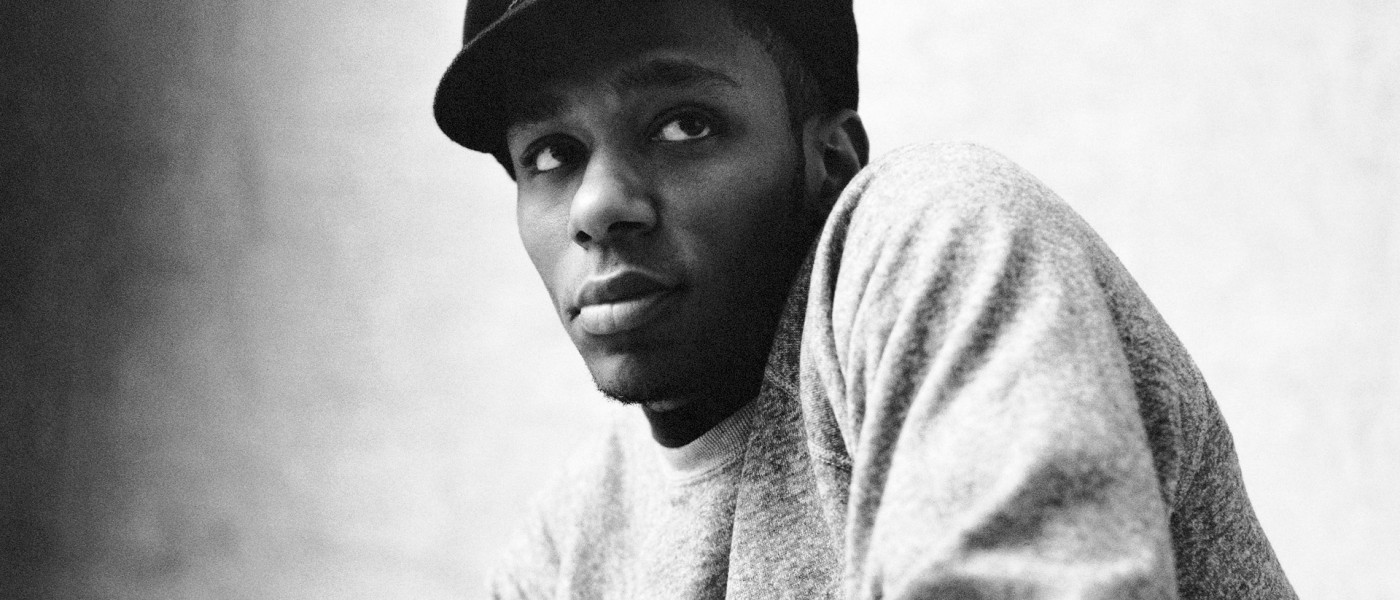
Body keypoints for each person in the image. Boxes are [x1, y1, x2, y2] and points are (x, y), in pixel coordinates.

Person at [433, 0, 1297, 597]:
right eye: (551, 153)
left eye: (684, 124)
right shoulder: (569, 544)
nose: (596, 206)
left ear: (831, 165)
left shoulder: (939, 230)